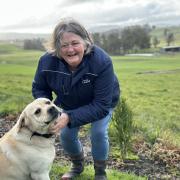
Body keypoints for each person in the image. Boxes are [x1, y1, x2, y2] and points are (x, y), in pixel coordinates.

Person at [32, 18, 120, 180]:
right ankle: (77, 166)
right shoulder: (46, 61)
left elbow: (101, 105)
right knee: (66, 135)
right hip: (69, 102)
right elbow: (40, 88)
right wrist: (49, 110)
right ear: (56, 48)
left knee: (98, 133)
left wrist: (69, 117)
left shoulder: (102, 62)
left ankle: (100, 173)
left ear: (86, 43)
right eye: (64, 45)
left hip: (101, 102)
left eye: (75, 43)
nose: (70, 49)